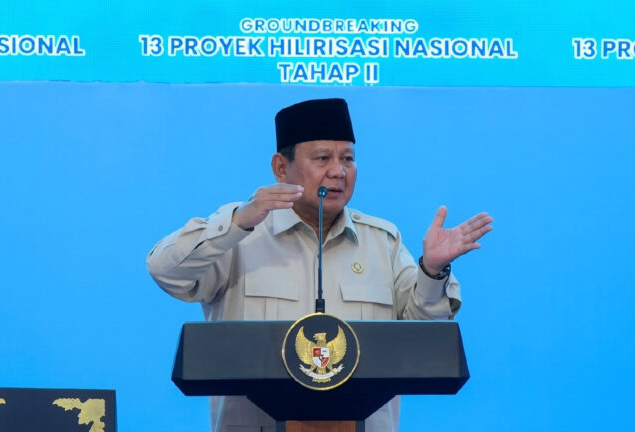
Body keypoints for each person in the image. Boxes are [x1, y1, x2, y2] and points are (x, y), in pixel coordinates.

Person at [146, 98, 493, 432]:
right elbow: (166, 271)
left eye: (348, 159)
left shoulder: (382, 241)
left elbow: (423, 335)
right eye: (323, 158)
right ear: (281, 168)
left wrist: (432, 271)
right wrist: (236, 221)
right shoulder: (242, 235)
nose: (339, 172)